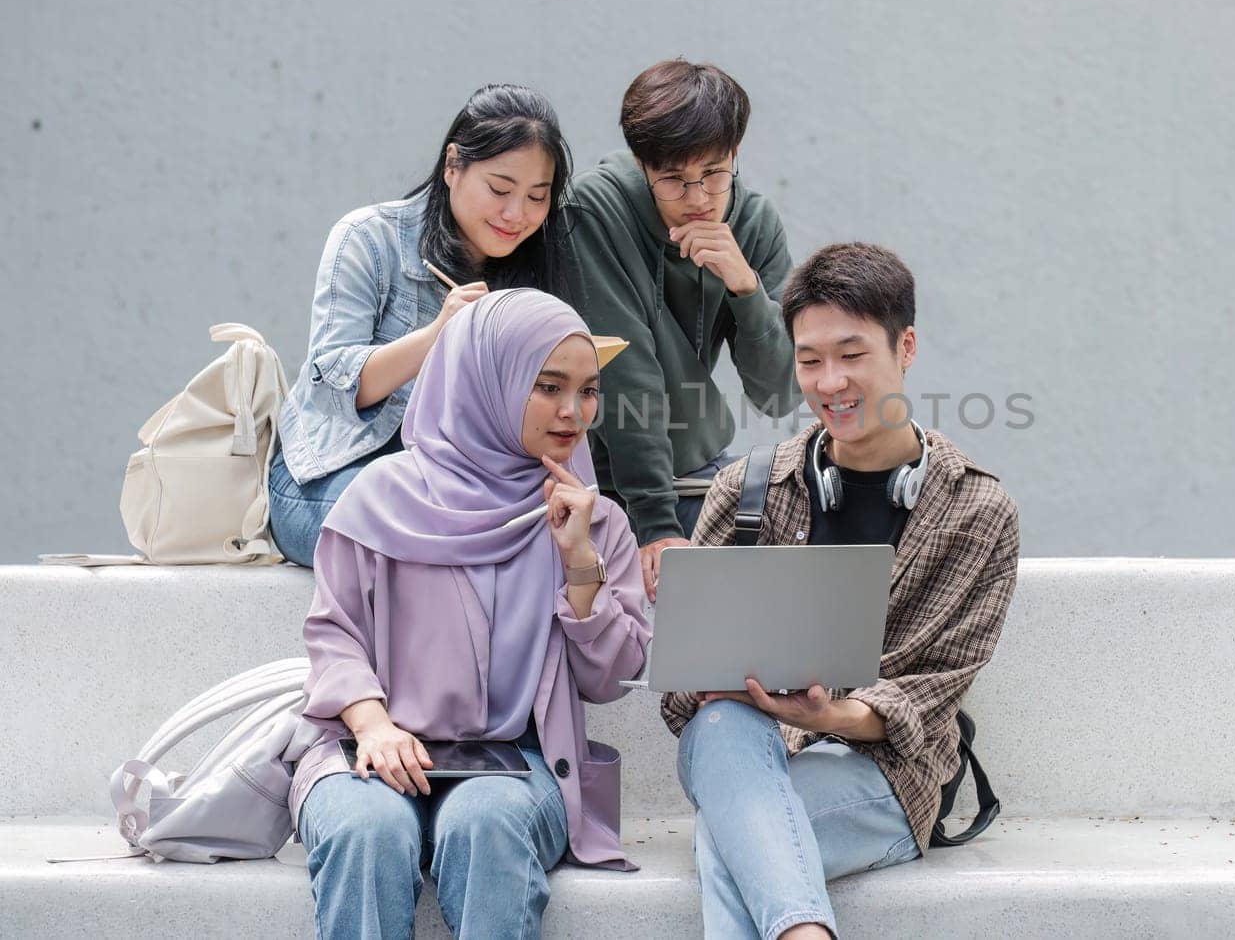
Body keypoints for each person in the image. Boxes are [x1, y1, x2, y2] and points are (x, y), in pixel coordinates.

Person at [661, 243, 1020, 939]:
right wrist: (730, 684)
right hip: (747, 749)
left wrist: (829, 716)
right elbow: (679, 695)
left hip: (886, 776)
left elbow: (929, 692)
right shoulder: (745, 493)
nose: (830, 381)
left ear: (905, 345)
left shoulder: (978, 512)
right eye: (810, 360)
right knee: (721, 726)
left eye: (852, 354)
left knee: (729, 839)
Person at [290, 289, 651, 939]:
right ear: (486, 379)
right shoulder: (382, 497)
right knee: (367, 829)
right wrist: (374, 727)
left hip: (515, 760)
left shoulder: (593, 520)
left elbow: (611, 677)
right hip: (366, 746)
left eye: (588, 390)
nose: (573, 411)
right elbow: (333, 632)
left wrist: (579, 562)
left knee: (486, 822)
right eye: (548, 386)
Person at [271, 84, 577, 566]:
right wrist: (438, 335)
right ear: (453, 165)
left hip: (461, 484)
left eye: (536, 197)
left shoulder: (541, 265)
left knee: (565, 526)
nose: (516, 214)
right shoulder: (368, 239)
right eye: (499, 189)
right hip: (338, 474)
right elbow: (330, 384)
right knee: (428, 529)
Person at [562, 59, 800, 594]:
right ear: (643, 165)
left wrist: (745, 291)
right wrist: (657, 524)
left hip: (698, 470)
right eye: (672, 179)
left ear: (736, 153)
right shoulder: (594, 211)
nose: (697, 198)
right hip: (604, 478)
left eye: (714, 173)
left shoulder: (755, 223)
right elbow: (625, 367)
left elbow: (782, 392)